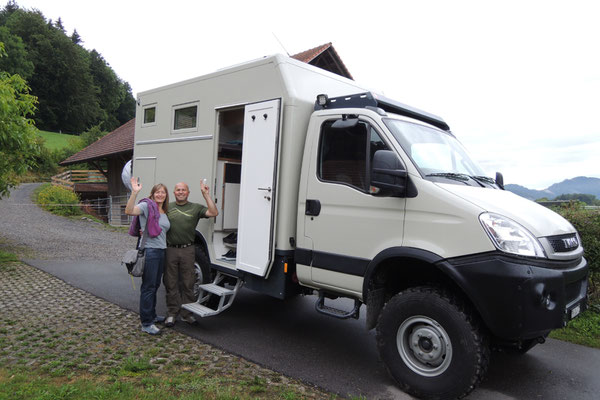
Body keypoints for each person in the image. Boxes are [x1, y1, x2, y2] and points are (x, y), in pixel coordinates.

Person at [164, 180, 218, 327]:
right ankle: (172, 313)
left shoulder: (195, 208)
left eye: (183, 190)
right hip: (171, 249)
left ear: (188, 193)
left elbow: (214, 212)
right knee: (171, 282)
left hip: (188, 249)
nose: (181, 192)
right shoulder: (167, 208)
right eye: (178, 190)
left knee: (189, 282)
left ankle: (187, 314)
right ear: (174, 193)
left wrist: (206, 195)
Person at [125, 177, 170, 335]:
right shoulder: (146, 206)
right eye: (157, 192)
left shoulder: (164, 211)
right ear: (153, 194)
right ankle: (146, 323)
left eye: (163, 192)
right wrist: (134, 193)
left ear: (166, 195)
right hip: (150, 251)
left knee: (155, 286)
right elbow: (129, 211)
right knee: (148, 287)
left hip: (161, 251)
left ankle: (151, 315)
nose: (160, 195)